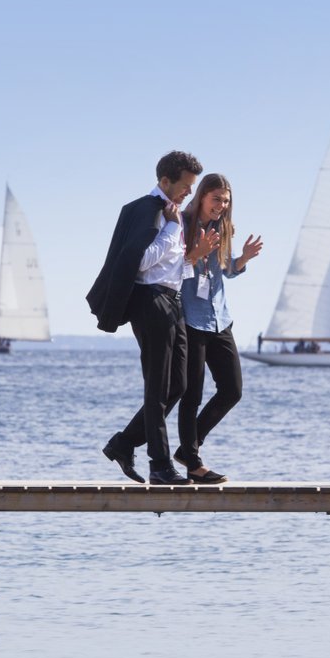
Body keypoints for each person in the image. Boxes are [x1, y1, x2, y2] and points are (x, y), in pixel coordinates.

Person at [87, 150, 204, 485]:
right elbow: (139, 262)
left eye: (192, 188)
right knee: (157, 388)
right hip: (150, 302)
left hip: (171, 300)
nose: (188, 193)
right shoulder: (150, 211)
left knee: (178, 385)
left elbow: (169, 267)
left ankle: (124, 443)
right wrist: (171, 228)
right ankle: (160, 464)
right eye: (185, 186)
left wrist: (193, 258)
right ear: (165, 181)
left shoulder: (171, 213)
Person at [174, 173, 264, 483]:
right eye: (216, 200)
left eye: (225, 201)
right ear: (201, 197)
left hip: (219, 318)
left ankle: (188, 447)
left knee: (232, 389)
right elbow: (174, 268)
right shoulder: (181, 225)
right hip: (190, 318)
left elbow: (226, 270)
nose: (221, 206)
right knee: (192, 393)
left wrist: (243, 259)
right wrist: (195, 253)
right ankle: (193, 461)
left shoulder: (223, 227)